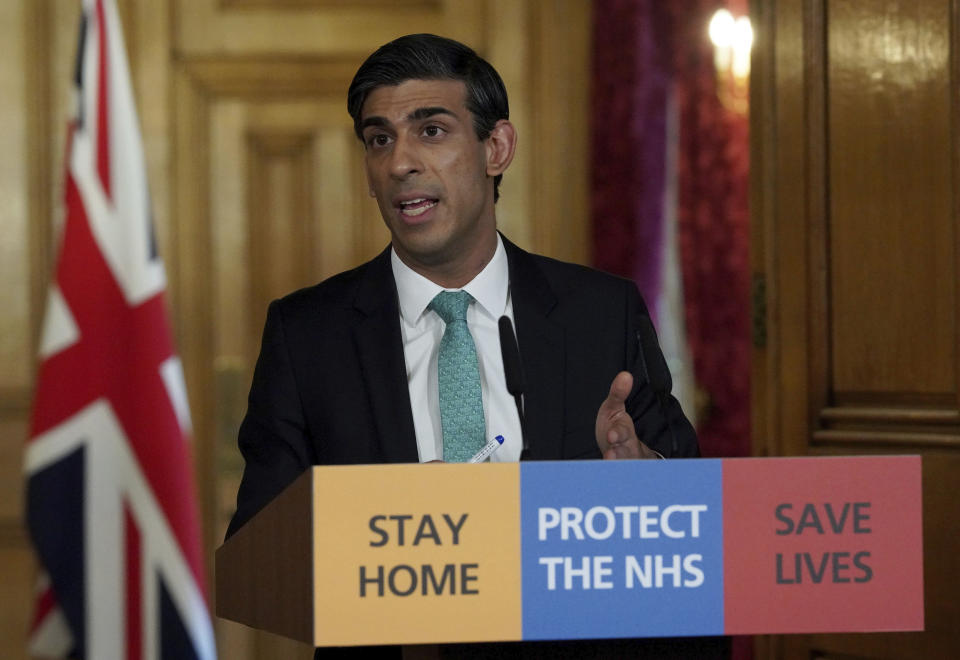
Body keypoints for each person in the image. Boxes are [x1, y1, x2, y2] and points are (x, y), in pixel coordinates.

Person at [228, 34, 720, 659]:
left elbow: (692, 525)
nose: (401, 161)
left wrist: (643, 482)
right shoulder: (308, 333)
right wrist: (388, 527)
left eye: (430, 130)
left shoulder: (602, 312)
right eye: (380, 139)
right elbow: (259, 553)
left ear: (496, 148)